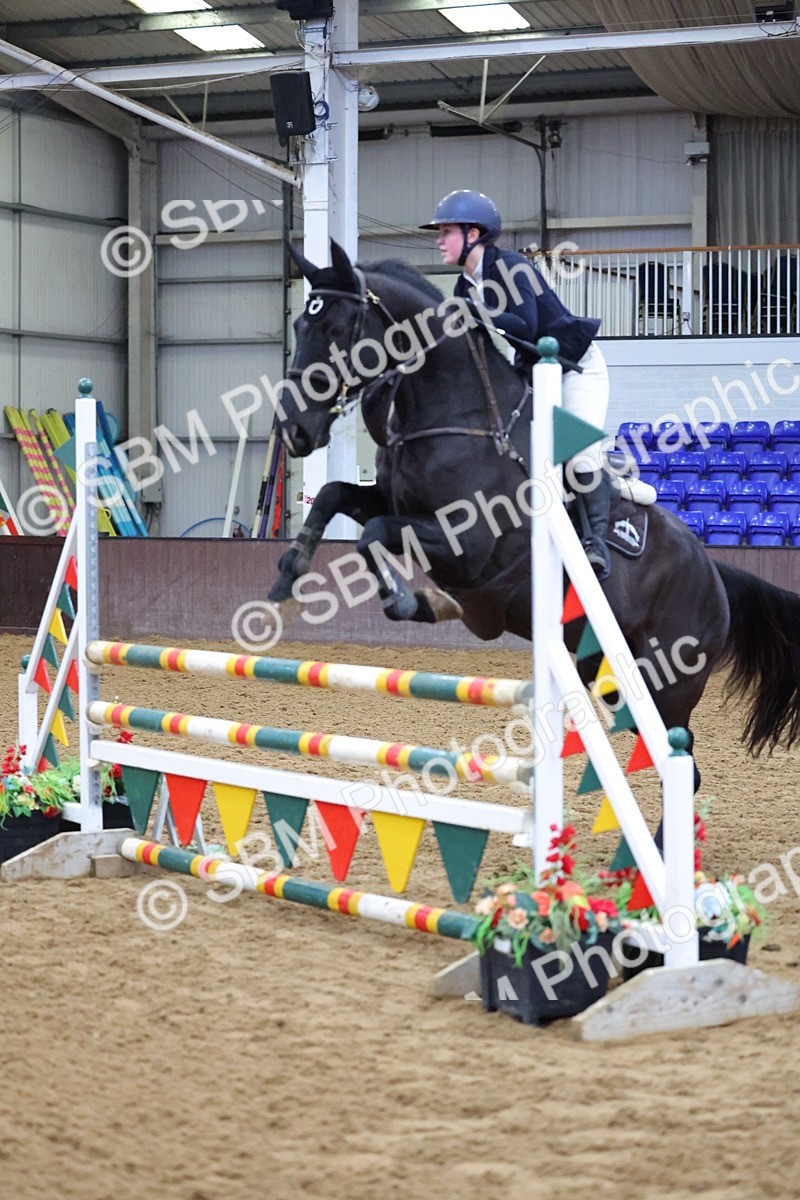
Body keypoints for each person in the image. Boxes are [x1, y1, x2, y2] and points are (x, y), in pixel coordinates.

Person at [420, 189, 612, 579]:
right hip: (533, 370)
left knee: (578, 455)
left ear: (473, 234)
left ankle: (596, 543)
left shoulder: (510, 266)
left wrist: (472, 309)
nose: (438, 240)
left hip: (575, 367)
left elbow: (524, 324)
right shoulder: (464, 286)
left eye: (445, 231)